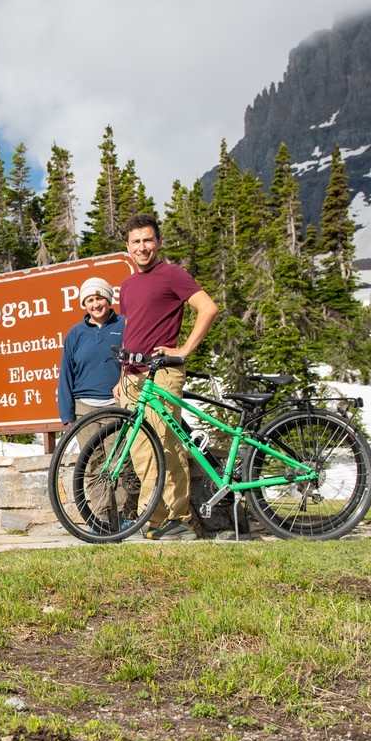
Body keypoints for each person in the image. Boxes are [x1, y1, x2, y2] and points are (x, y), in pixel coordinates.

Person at [118, 213, 219, 541]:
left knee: (161, 443)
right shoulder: (128, 284)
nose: (143, 247)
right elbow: (133, 331)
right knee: (140, 449)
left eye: (148, 240)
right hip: (133, 377)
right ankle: (159, 520)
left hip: (162, 372)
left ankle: (173, 520)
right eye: (136, 242)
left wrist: (184, 349)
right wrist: (121, 378)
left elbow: (208, 308)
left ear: (158, 243)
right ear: (128, 246)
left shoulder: (172, 274)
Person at [57, 276, 124, 427]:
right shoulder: (75, 333)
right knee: (89, 452)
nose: (96, 305)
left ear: (108, 299)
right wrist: (67, 414)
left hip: (116, 406)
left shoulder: (123, 325)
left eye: (99, 298)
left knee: (117, 451)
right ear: (84, 304)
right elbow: (66, 373)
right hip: (83, 409)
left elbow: (133, 362)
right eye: (90, 300)